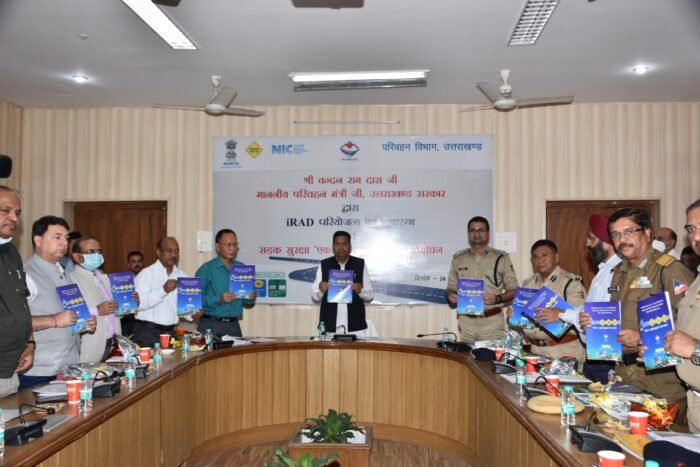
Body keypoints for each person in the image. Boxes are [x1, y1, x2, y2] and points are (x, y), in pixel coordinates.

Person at [608, 207, 693, 412]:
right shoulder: (619, 272)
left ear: (647, 232)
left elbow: (690, 323)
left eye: (629, 232)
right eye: (616, 235)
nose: (622, 239)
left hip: (660, 381)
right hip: (624, 375)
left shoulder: (669, 269)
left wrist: (642, 337)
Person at [20, 216, 97, 390]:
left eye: (66, 238)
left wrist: (83, 323)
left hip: (69, 366)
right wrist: (53, 320)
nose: (64, 243)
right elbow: (14, 322)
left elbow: (67, 316)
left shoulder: (63, 272)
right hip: (40, 371)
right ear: (38, 240)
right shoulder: (26, 275)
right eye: (57, 237)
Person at [445, 216, 518, 342]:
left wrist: (498, 298)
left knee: (490, 355)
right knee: (467, 355)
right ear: (468, 234)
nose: (476, 234)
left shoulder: (501, 258)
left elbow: (514, 290)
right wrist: (451, 295)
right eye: (472, 230)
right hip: (466, 323)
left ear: (488, 233)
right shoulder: (458, 258)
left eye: (481, 230)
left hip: (491, 323)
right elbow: (451, 287)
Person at [662, 199, 700, 432]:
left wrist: (695, 349)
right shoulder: (697, 279)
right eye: (691, 229)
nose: (696, 236)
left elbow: (692, 345)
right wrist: (662, 345)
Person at [519, 240, 587, 368]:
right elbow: (523, 320)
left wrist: (559, 315)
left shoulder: (571, 283)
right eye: (535, 257)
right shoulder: (528, 284)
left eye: (544, 255)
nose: (540, 260)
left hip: (564, 352)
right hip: (536, 352)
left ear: (556, 257)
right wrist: (515, 315)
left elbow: (581, 317)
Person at [69, 236, 137, 362]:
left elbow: (112, 313)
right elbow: (70, 316)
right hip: (91, 345)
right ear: (77, 257)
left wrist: (128, 304)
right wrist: (97, 311)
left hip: (113, 345)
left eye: (99, 251)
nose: (97, 255)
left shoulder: (104, 277)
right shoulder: (70, 279)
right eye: (91, 252)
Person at [574, 215, 622, 382]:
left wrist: (562, 314)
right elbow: (589, 311)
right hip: (594, 354)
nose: (588, 244)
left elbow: (604, 315)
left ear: (606, 242)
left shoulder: (620, 272)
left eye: (591, 238)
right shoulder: (602, 272)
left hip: (608, 356)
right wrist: (561, 313)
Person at [0, 186, 35, 398]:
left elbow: (22, 303)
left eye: (18, 213)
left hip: (11, 368)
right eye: (6, 210)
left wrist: (29, 343)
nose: (14, 218)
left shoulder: (11, 252)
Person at [196, 229, 255, 338]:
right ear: (217, 247)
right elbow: (195, 299)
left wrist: (251, 297)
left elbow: (248, 303)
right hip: (211, 324)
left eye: (234, 244)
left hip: (233, 325)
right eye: (228, 245)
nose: (232, 248)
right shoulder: (207, 269)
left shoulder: (242, 268)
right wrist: (219, 299)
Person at [311, 231, 373, 334]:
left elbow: (370, 295)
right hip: (329, 325)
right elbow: (314, 297)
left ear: (350, 246)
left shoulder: (360, 264)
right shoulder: (324, 264)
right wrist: (321, 291)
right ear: (333, 246)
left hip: (355, 326)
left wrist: (360, 291)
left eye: (344, 244)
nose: (341, 248)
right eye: (337, 244)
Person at [133, 237, 189, 347]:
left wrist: (194, 314)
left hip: (171, 333)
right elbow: (137, 304)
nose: (173, 254)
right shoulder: (146, 274)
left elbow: (183, 307)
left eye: (176, 251)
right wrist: (163, 290)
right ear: (158, 252)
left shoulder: (182, 276)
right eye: (169, 251)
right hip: (147, 333)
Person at [121, 250, 145, 336]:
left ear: (143, 263)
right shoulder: (121, 281)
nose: (137, 264)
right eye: (133, 261)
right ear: (128, 264)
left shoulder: (149, 280)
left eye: (139, 261)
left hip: (145, 321)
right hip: (127, 320)